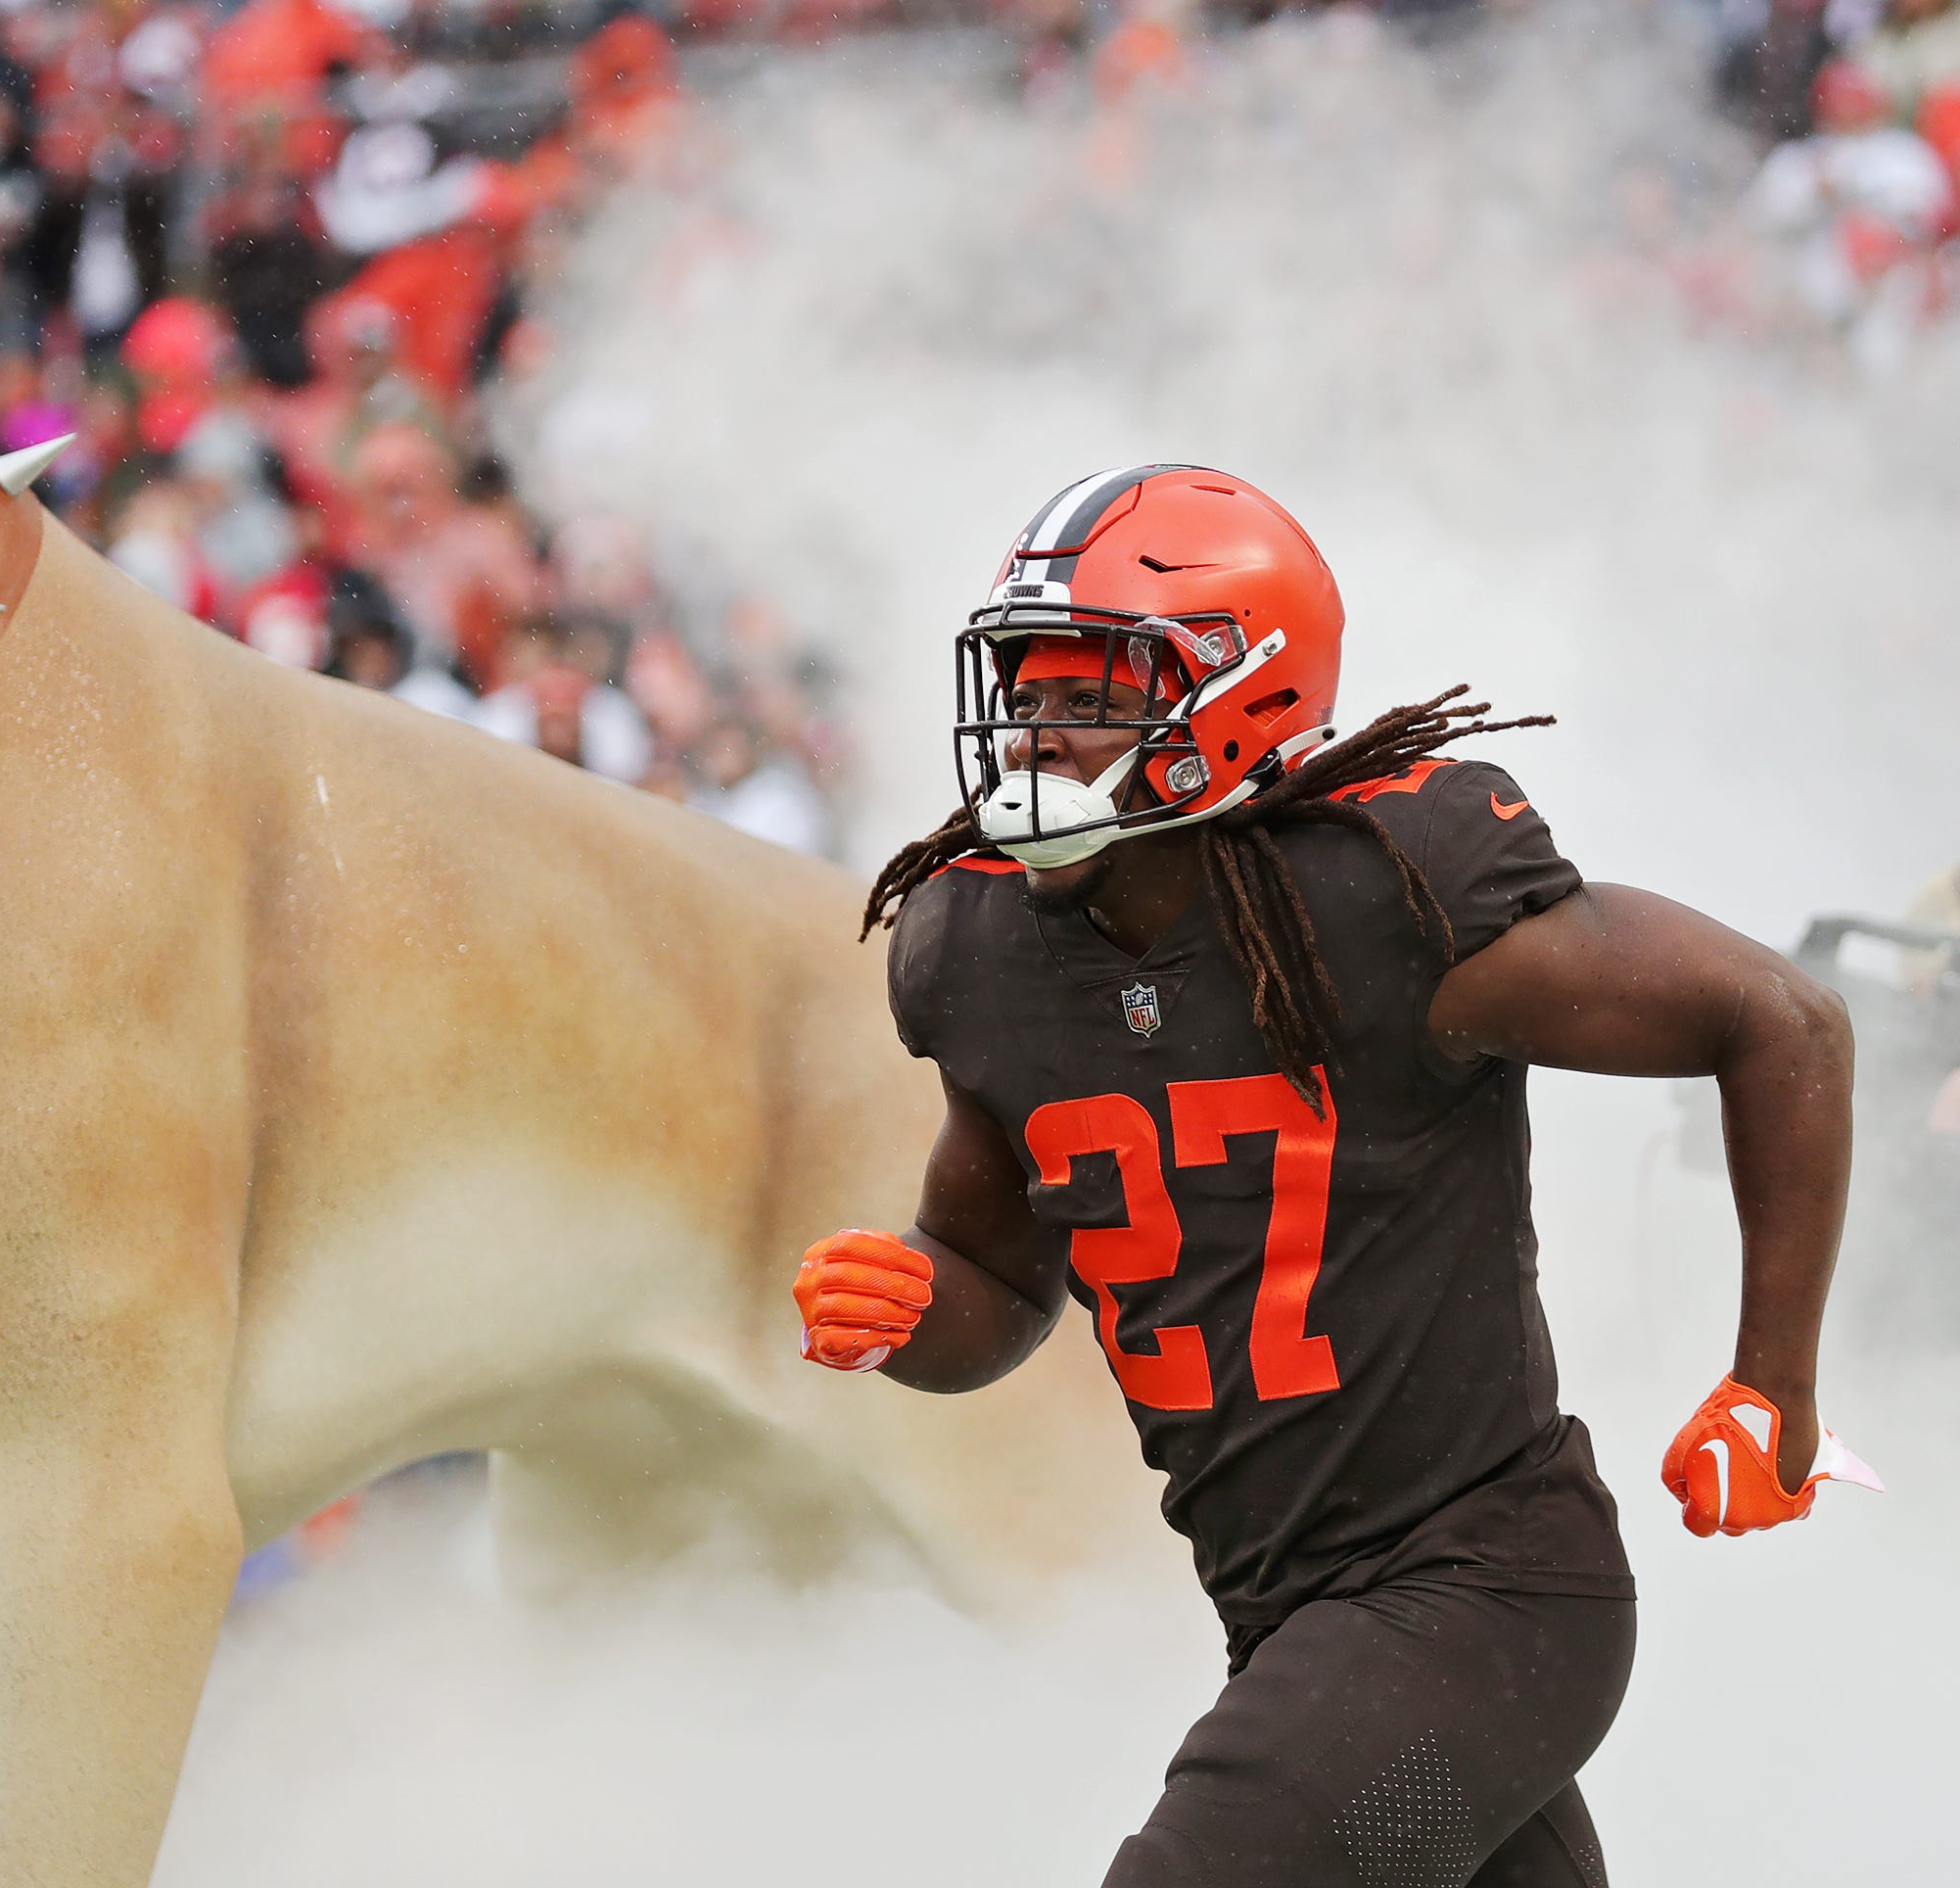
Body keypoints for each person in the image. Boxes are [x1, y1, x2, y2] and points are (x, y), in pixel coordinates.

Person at [793, 466, 1873, 1887]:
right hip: (1300, 1626)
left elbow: (1780, 1021)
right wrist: (911, 1308)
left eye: (1091, 693)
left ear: (1237, 690)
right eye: (1029, 691)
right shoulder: (981, 950)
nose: (1039, 733)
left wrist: (1773, 1386)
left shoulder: (1390, 895)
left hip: (1488, 1598)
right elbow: (998, 1278)